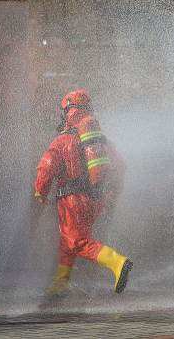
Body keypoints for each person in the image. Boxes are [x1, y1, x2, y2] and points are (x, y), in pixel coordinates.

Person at [34, 89, 132, 296]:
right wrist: (112, 194)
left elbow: (46, 166)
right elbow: (120, 165)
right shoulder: (100, 141)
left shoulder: (62, 141)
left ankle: (117, 262)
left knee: (77, 242)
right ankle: (60, 282)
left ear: (69, 112)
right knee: (67, 240)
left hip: (73, 201)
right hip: (96, 198)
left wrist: (40, 193)